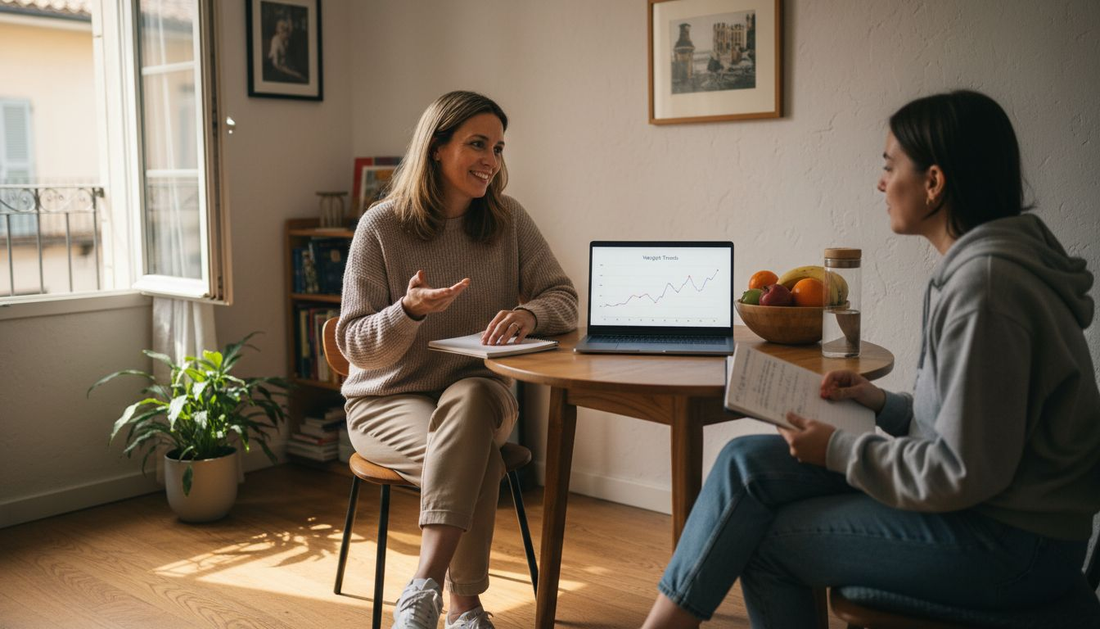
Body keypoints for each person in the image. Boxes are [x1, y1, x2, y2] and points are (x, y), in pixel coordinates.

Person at [641, 90, 1100, 628]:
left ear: (933, 183)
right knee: (745, 463)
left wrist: (837, 448)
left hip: (1010, 545)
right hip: (995, 517)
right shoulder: (988, 266)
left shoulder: (986, 289)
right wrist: (882, 404)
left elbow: (963, 471)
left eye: (890, 167)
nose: (881, 183)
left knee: (763, 543)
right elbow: (982, 430)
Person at [336, 91, 578, 629]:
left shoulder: (508, 221)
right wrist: (406, 313)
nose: (491, 160)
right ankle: (464, 606)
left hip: (480, 393)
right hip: (386, 402)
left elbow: (563, 297)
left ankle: (422, 586)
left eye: (497, 147)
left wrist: (529, 316)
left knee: (467, 411)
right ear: (436, 148)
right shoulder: (380, 227)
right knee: (475, 461)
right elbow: (353, 343)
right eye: (477, 144)